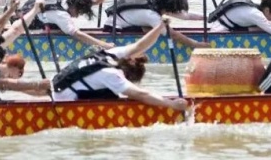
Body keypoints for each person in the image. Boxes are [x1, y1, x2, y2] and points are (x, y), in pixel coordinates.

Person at [51, 16, 189, 113]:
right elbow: (141, 95)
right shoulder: (112, 74)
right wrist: (171, 104)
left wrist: (160, 27)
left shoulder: (109, 54)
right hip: (65, 107)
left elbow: (139, 46)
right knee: (117, 95)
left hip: (57, 91)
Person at [103, 0, 210, 49]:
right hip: (115, 28)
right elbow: (173, 34)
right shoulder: (151, 15)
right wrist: (196, 45)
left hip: (127, 18)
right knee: (157, 30)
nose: (175, 13)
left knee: (156, 28)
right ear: (167, 9)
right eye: (172, 11)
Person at [17, 0, 119, 49]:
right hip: (25, 26)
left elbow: (96, 0)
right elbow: (78, 35)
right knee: (67, 30)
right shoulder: (61, 15)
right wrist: (104, 45)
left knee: (63, 29)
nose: (78, 16)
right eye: (79, 12)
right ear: (74, 7)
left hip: (31, 14)